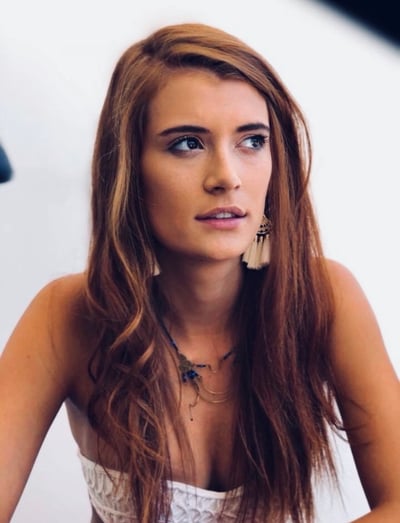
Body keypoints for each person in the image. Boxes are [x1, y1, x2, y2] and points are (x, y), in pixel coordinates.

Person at [0, 22, 399, 523]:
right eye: (188, 143)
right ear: (129, 168)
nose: (227, 177)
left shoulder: (322, 297)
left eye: (252, 141)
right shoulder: (71, 315)